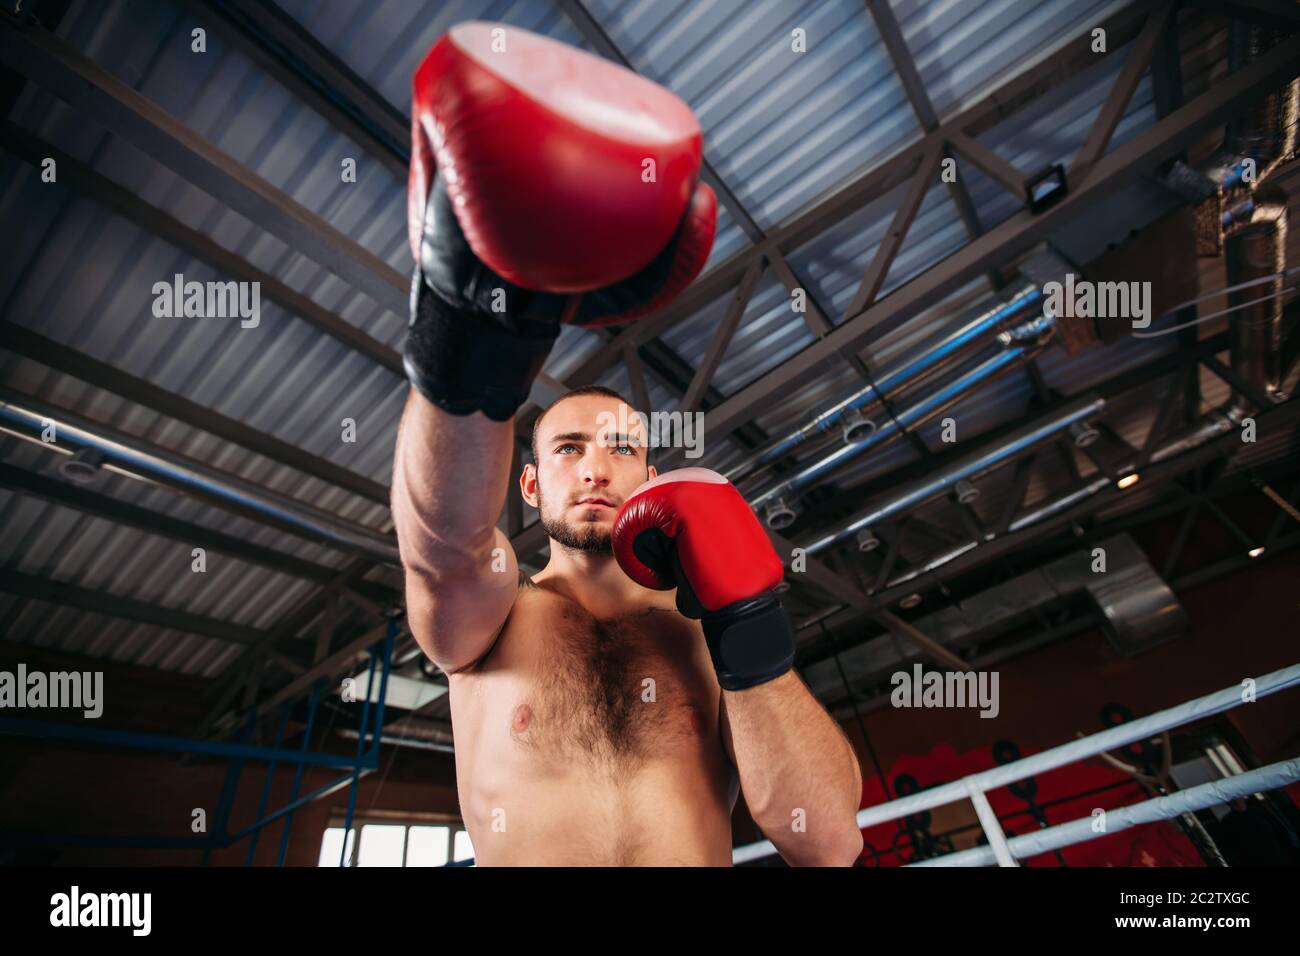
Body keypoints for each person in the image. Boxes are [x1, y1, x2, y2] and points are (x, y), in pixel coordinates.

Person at [391, 21, 863, 866]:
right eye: (568, 449)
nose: (597, 466)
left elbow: (824, 843)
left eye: (618, 448)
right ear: (529, 487)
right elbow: (442, 549)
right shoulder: (497, 613)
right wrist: (467, 338)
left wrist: (747, 623)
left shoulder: (700, 634)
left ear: (651, 473)